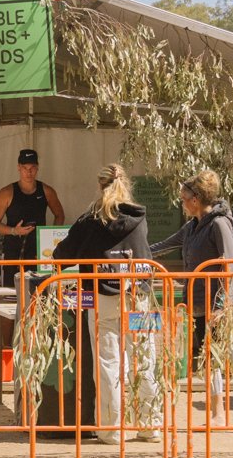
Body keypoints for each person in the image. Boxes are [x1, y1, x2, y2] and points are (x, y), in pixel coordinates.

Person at [53, 163, 156, 443]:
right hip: (139, 296)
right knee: (143, 357)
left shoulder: (90, 220)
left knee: (109, 362)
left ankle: (111, 428)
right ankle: (150, 424)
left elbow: (63, 255)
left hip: (103, 298)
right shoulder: (140, 217)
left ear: (100, 186)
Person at [151, 172, 233, 425]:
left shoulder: (219, 224)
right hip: (199, 301)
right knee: (218, 357)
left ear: (196, 199)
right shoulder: (191, 227)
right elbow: (164, 245)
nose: (182, 202)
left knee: (218, 357)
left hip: (218, 302)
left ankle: (219, 412)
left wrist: (223, 303)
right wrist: (135, 253)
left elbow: (229, 264)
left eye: (184, 198)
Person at [0, 148, 64, 264]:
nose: (29, 172)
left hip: (38, 252)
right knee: (11, 282)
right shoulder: (6, 193)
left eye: (32, 168)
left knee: (39, 282)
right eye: (25, 168)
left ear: (37, 168)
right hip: (13, 251)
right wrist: (14, 231)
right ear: (18, 167)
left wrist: (51, 240)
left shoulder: (47, 191)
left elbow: (59, 215)